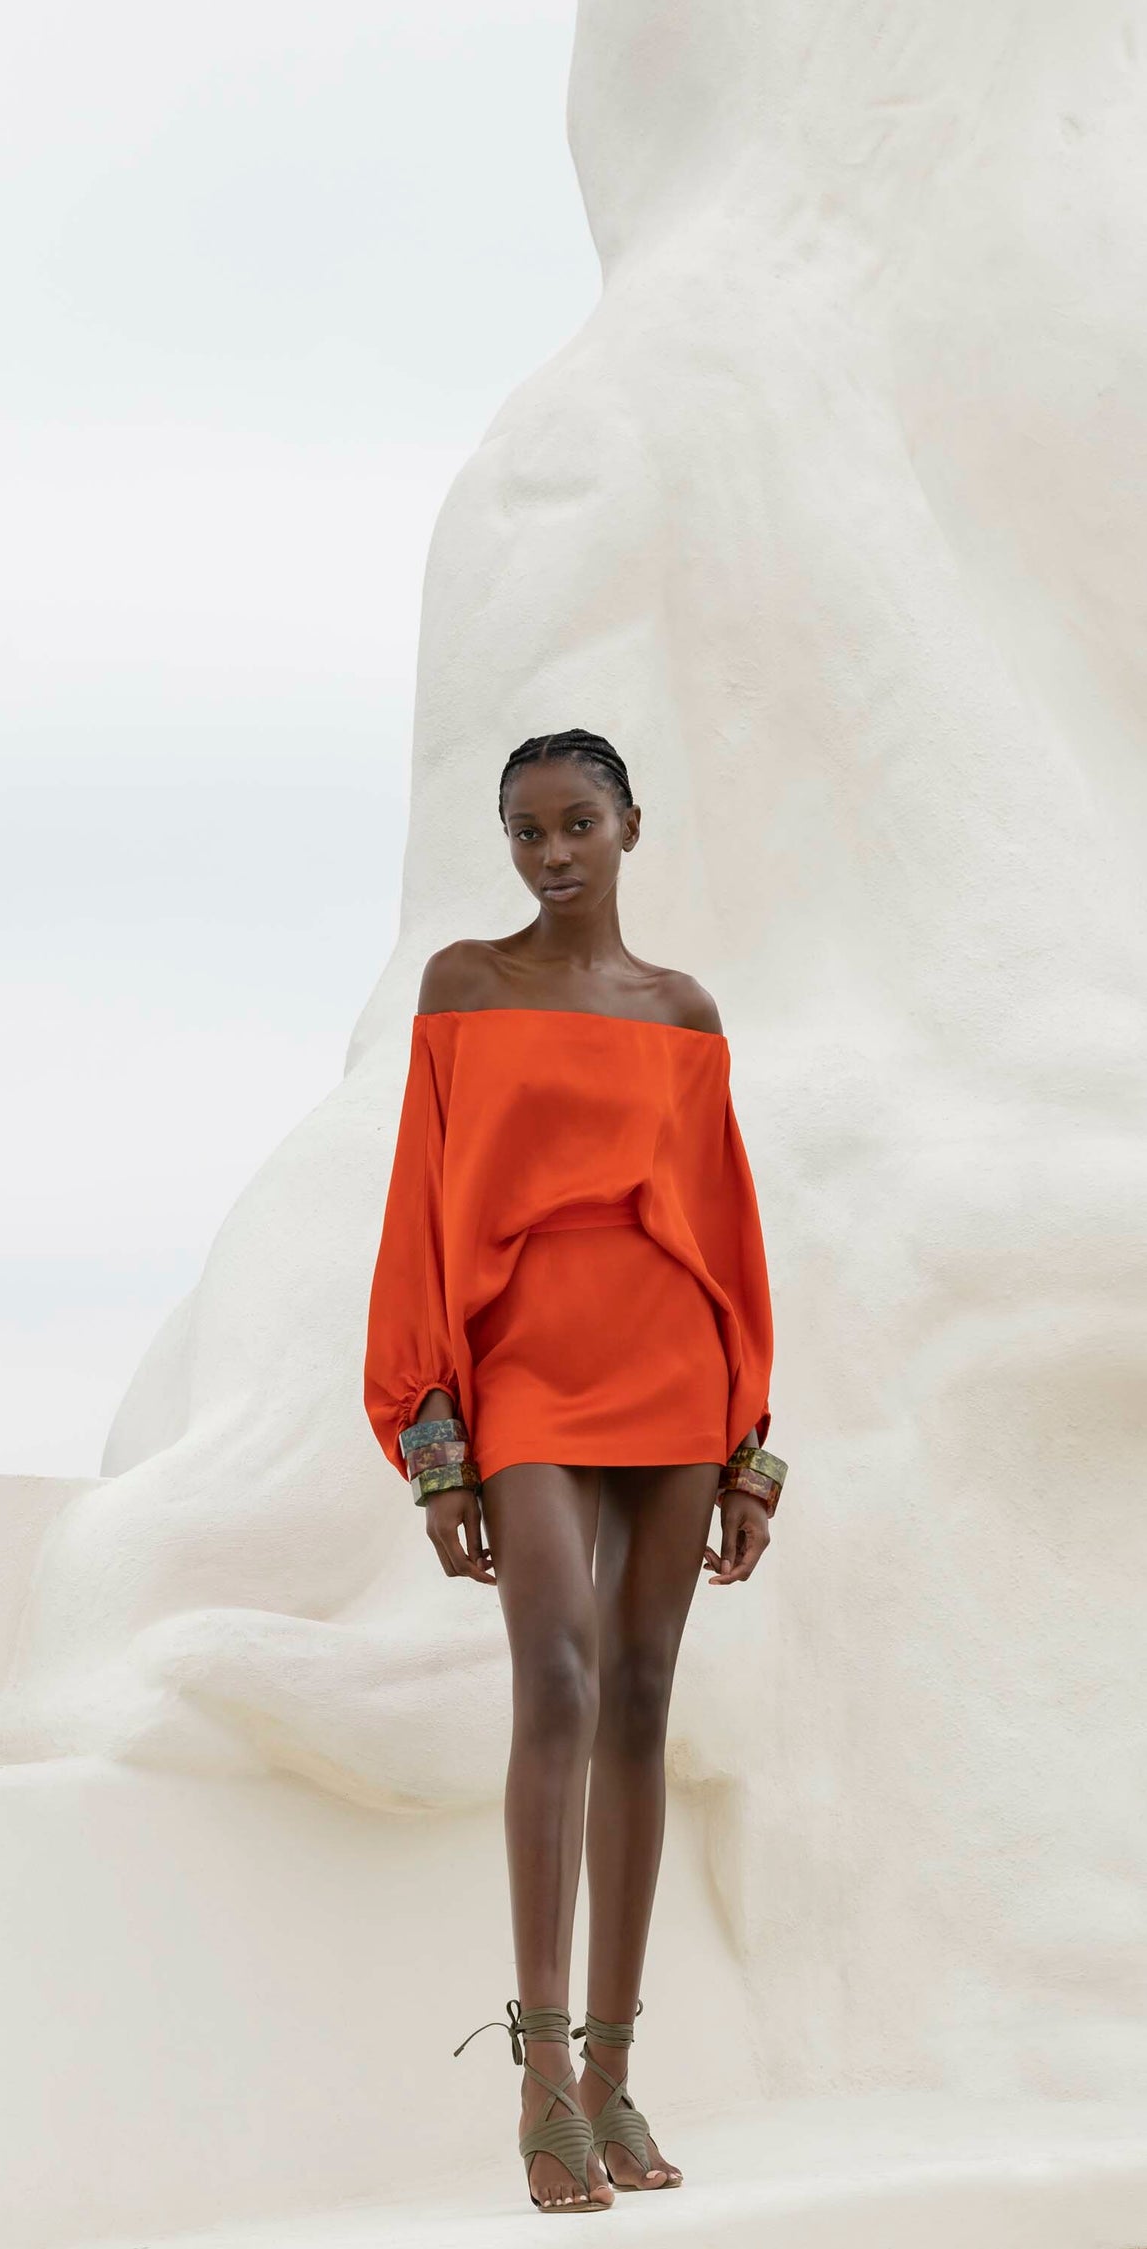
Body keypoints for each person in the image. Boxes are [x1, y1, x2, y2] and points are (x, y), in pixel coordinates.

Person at [363, 727, 784, 2216]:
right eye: (528, 830)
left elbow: (726, 1231)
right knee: (556, 1674)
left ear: (629, 828)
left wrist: (751, 1447)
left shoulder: (683, 1012)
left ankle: (614, 2069)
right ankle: (540, 2074)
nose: (552, 853)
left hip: (675, 1360)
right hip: (526, 1361)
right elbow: (422, 1204)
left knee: (647, 1691)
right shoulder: (465, 987)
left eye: (578, 825)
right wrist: (434, 1446)